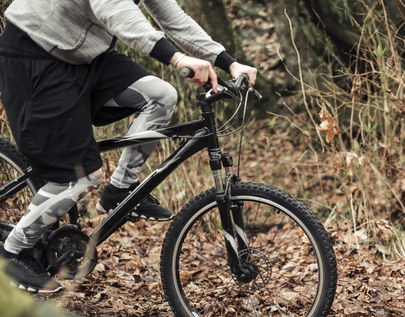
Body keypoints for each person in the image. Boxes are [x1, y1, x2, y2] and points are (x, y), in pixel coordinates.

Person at [0, 0, 257, 293]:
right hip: (35, 54)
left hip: (84, 56)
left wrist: (229, 62)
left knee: (161, 96)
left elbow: (174, 19)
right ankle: (12, 253)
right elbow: (117, 12)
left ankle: (120, 189)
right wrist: (176, 58)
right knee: (80, 175)